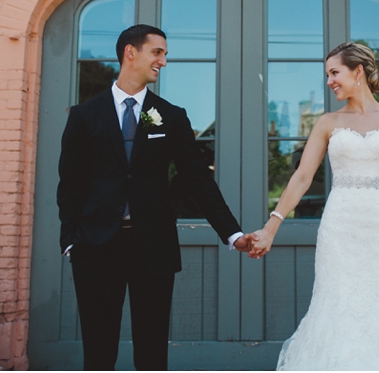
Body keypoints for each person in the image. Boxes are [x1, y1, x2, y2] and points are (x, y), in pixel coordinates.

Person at [57, 24, 252, 371]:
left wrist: (232, 233)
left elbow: (197, 181)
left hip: (153, 247)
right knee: (98, 353)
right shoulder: (85, 115)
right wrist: (70, 240)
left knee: (151, 353)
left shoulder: (170, 116)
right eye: (157, 52)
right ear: (131, 53)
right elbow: (70, 182)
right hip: (95, 247)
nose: (163, 61)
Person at [248, 42, 379, 371]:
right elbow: (302, 178)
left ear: (358, 71)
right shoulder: (327, 122)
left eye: (335, 73)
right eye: (328, 74)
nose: (330, 80)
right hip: (341, 228)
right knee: (336, 306)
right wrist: (271, 227)